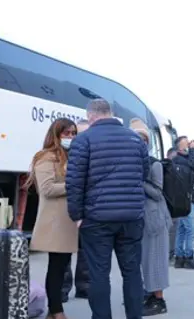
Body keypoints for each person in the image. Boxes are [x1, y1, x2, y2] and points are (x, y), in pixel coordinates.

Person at [66, 99, 148, 319]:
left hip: (96, 218)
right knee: (132, 273)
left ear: (91, 116)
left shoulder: (83, 141)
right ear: (110, 114)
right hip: (131, 218)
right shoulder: (135, 139)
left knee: (99, 274)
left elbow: (74, 182)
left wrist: (77, 215)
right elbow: (144, 174)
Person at [28, 118, 79, 319]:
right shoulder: (46, 157)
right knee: (57, 267)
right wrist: (75, 185)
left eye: (74, 133)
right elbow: (47, 188)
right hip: (55, 221)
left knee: (62, 266)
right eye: (67, 133)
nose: (71, 137)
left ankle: (55, 310)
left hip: (67, 220)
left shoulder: (68, 156)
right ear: (56, 135)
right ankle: (57, 311)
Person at [129, 119, 172, 317]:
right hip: (140, 218)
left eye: (143, 139)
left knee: (156, 260)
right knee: (145, 260)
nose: (139, 142)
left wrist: (139, 179)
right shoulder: (131, 161)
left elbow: (157, 192)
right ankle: (149, 294)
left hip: (154, 219)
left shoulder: (154, 164)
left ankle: (159, 300)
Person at [62, 119, 91, 302]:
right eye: (75, 134)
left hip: (87, 207)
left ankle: (84, 286)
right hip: (65, 207)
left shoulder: (92, 152)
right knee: (64, 249)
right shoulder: (61, 155)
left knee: (85, 249)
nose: (77, 138)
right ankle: (63, 289)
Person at [172, 136, 194, 269]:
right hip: (185, 199)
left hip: (187, 198)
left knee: (182, 229)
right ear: (180, 147)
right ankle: (188, 257)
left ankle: (179, 258)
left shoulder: (187, 159)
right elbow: (191, 165)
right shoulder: (177, 159)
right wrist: (193, 150)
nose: (190, 143)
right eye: (186, 142)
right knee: (191, 229)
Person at [165, 148, 179, 264]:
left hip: (175, 206)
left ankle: (171, 254)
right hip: (164, 205)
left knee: (174, 231)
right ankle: (167, 255)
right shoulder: (162, 167)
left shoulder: (178, 170)